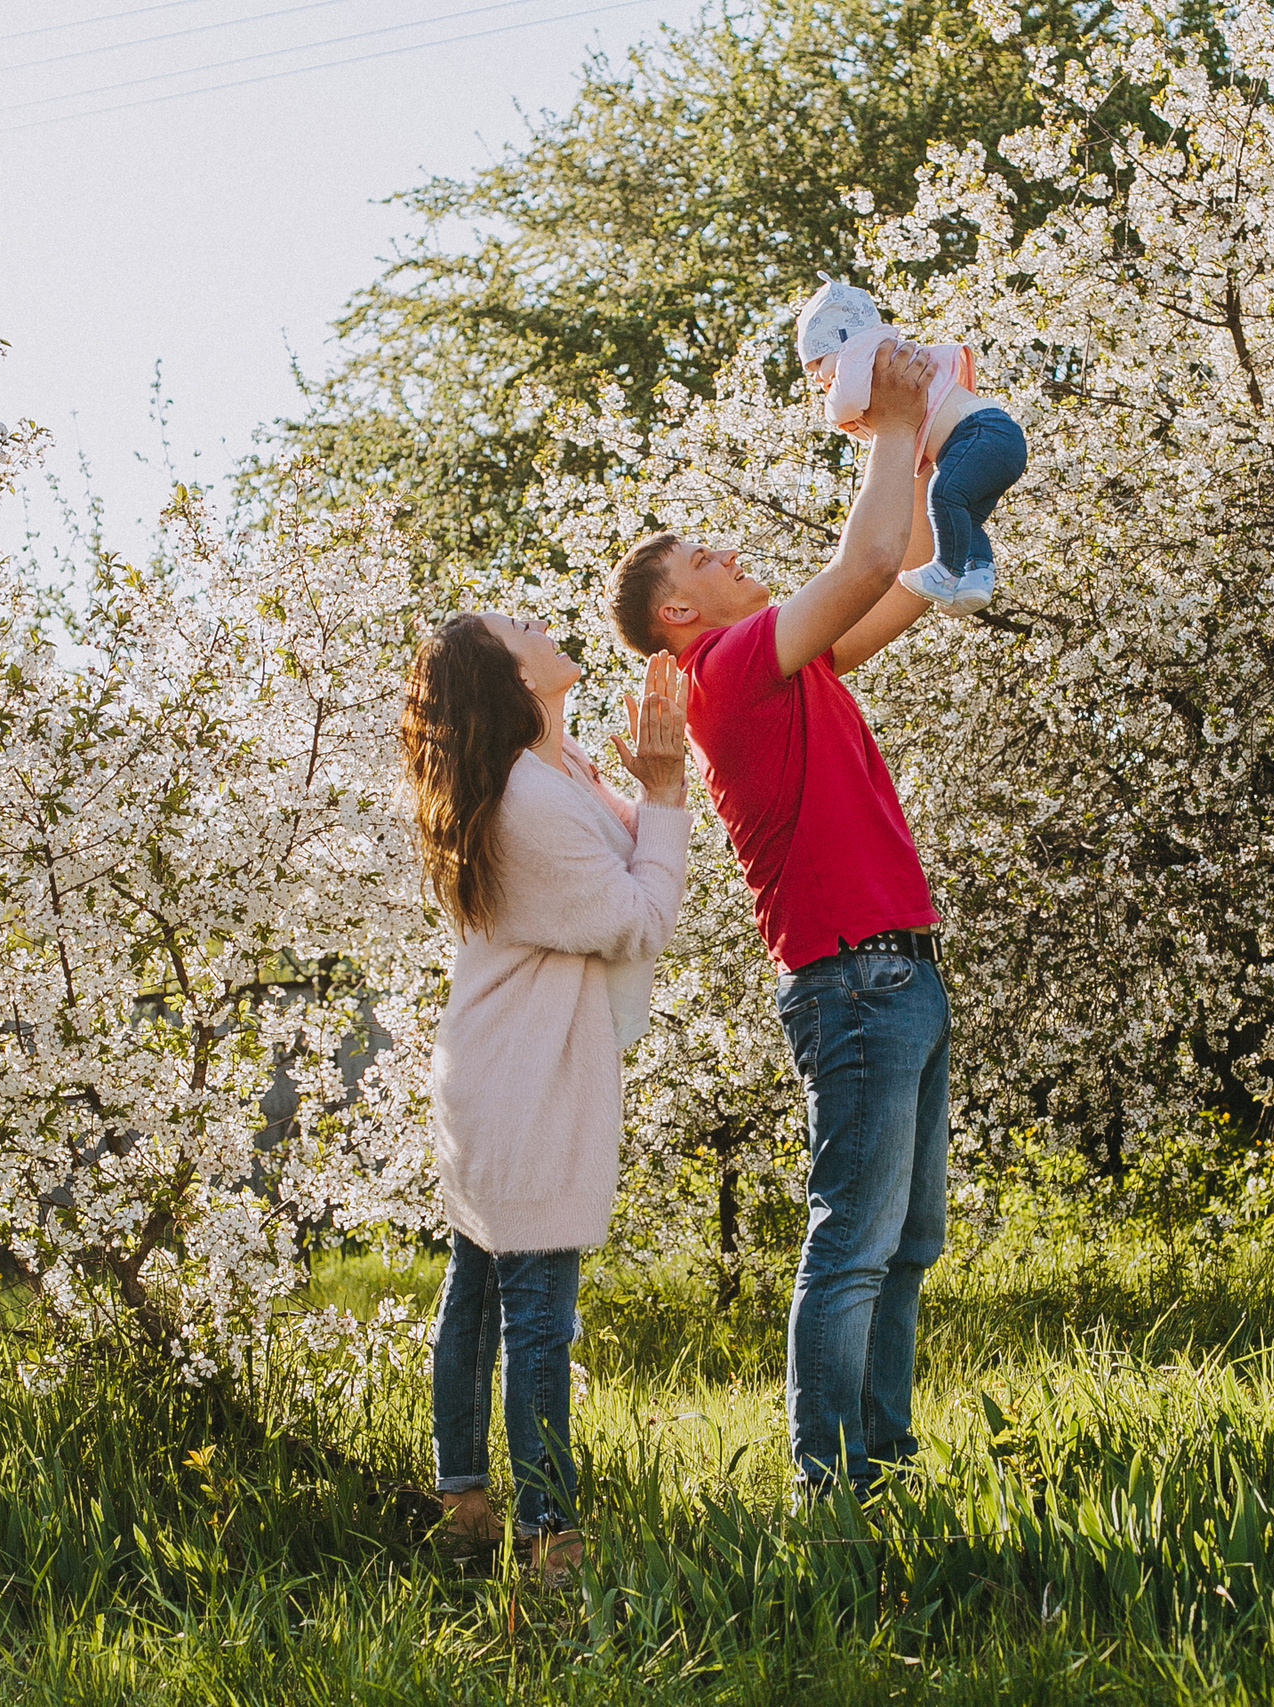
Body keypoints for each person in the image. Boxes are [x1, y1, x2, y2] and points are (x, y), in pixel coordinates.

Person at [603, 339, 948, 1498]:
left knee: (904, 1245)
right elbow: (860, 563)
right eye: (708, 555)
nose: (733, 553)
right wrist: (891, 425)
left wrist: (936, 454)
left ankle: (883, 1469)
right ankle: (830, 1488)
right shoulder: (726, 669)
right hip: (856, 979)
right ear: (679, 610)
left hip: (899, 968)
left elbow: (906, 568)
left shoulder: (792, 667)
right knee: (854, 1244)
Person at [403, 614, 693, 1573]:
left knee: (482, 1287)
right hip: (522, 1079)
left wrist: (635, 787)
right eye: (514, 626)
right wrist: (665, 792)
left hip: (503, 1067)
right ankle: (547, 1538)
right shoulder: (528, 798)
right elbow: (638, 916)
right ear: (509, 677)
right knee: (530, 1307)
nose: (535, 618)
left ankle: (466, 1504)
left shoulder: (550, 771)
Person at [793, 273, 1028, 618]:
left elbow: (843, 403)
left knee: (943, 496)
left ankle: (945, 572)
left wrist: (835, 412)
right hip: (995, 438)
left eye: (818, 363)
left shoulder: (861, 351)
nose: (817, 377)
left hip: (978, 433)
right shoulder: (882, 353)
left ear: (840, 343)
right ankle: (977, 574)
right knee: (964, 516)